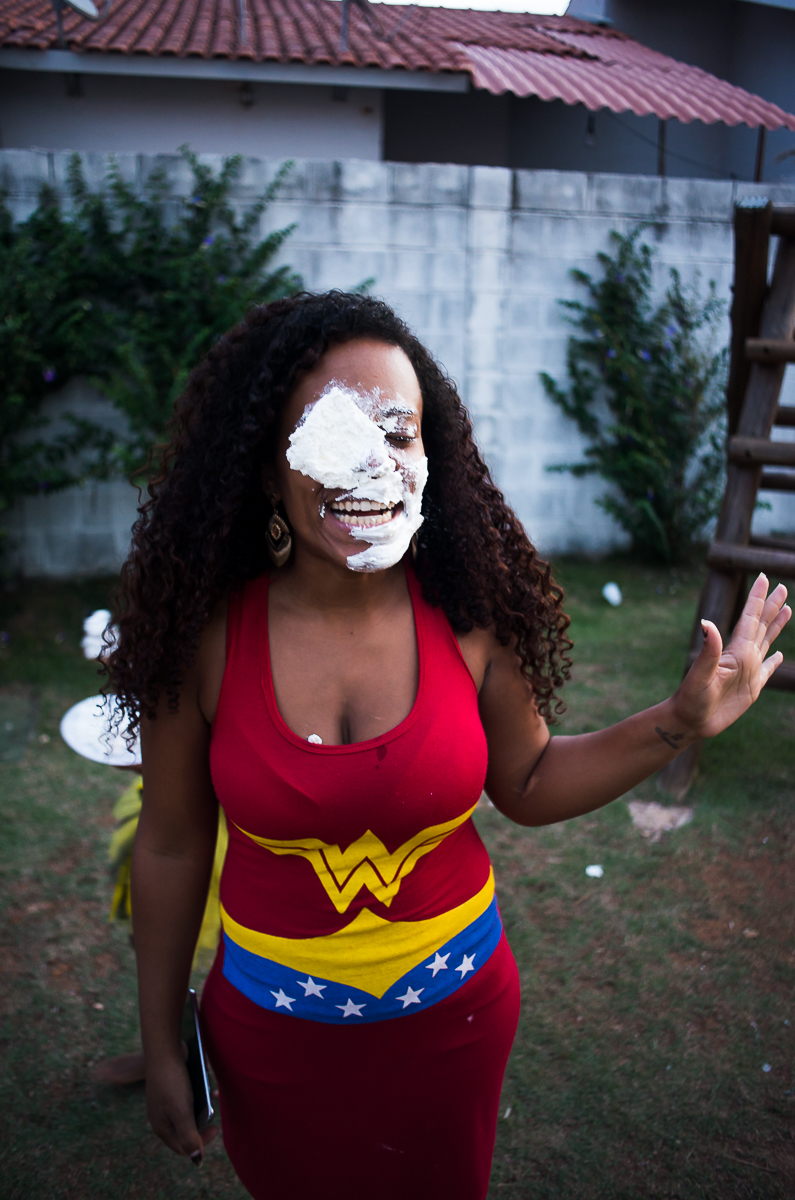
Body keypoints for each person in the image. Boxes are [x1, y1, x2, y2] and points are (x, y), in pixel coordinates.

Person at [106, 291, 789, 1200]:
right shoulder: (201, 641)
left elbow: (529, 780)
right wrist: (161, 1045)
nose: (375, 463)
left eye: (399, 433)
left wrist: (676, 722)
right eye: (337, 434)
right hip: (271, 1036)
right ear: (268, 469)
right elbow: (169, 844)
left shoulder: (470, 619)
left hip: (456, 1020)